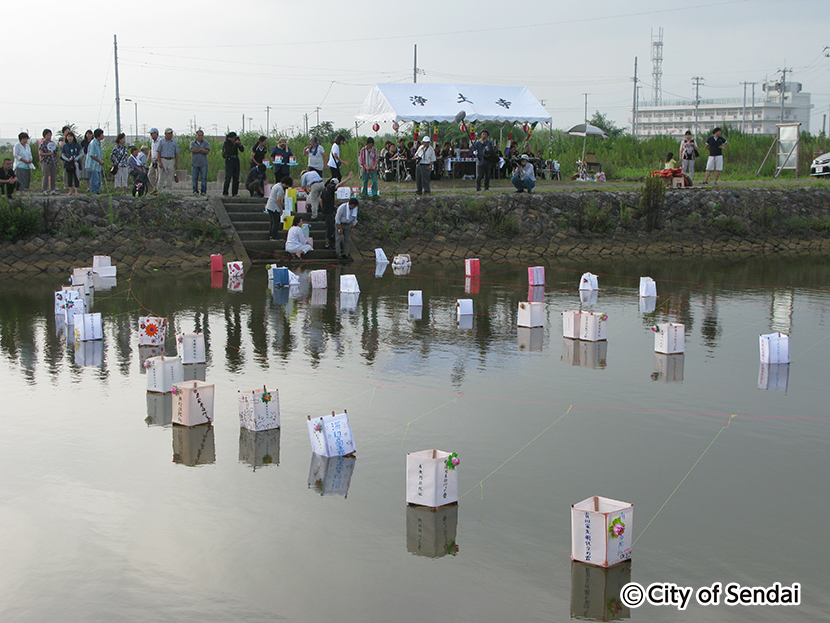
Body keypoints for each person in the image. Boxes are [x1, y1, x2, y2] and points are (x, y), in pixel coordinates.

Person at [320, 172, 353, 249]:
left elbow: (320, 200)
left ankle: (331, 236)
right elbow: (339, 185)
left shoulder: (324, 190)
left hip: (325, 210)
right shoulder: (331, 188)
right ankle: (327, 244)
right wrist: (348, 178)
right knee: (329, 227)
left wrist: (322, 208)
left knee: (331, 226)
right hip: (329, 211)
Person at [265, 176, 292, 240]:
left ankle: (271, 234)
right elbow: (278, 199)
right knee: (276, 222)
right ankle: (274, 235)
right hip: (274, 207)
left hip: (269, 205)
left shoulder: (276, 185)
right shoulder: (280, 188)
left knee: (272, 221)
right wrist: (281, 208)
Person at [222, 131, 245, 196]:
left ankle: (235, 193)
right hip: (229, 160)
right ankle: (225, 192)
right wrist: (234, 145)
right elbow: (230, 151)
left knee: (236, 177)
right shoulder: (227, 143)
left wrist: (240, 144)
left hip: (235, 160)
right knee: (228, 177)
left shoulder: (236, 143)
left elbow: (242, 150)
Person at [60, 131, 83, 195]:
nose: (70, 138)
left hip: (76, 162)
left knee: (76, 177)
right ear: (66, 137)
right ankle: (70, 191)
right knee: (69, 177)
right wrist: (67, 159)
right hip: (68, 163)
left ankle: (76, 191)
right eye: (68, 137)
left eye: (71, 136)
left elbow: (81, 153)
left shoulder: (77, 144)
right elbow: (62, 154)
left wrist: (77, 158)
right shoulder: (65, 146)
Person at [189, 130, 210, 195]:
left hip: (203, 163)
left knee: (203, 178)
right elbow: (192, 150)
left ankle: (203, 191)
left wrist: (197, 150)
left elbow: (206, 151)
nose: (201, 137)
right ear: (196, 136)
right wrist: (201, 149)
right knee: (194, 178)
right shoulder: (192, 143)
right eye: (199, 135)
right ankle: (195, 191)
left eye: (202, 135)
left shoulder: (206, 143)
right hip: (195, 163)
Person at [84, 128, 105, 195]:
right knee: (94, 180)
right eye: (102, 135)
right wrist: (99, 161)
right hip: (93, 165)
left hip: (97, 165)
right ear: (98, 135)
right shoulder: (93, 143)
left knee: (98, 180)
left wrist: (101, 160)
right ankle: (93, 193)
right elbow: (92, 155)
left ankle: (98, 192)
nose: (103, 136)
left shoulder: (99, 143)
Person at [38, 129, 59, 194]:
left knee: (53, 176)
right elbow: (40, 153)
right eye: (48, 135)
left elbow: (56, 153)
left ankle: (53, 189)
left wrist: (57, 161)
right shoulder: (43, 144)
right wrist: (48, 154)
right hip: (46, 161)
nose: (49, 136)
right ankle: (45, 189)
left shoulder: (53, 143)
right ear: (44, 136)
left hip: (53, 161)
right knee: (46, 175)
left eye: (50, 135)